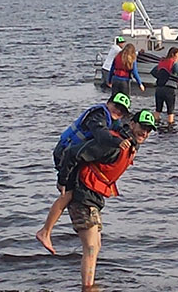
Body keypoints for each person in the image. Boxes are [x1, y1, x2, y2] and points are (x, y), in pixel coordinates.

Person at [56, 109, 156, 292]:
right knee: (91, 246)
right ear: (132, 124)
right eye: (142, 127)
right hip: (82, 193)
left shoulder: (131, 144)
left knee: (97, 245)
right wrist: (62, 180)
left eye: (149, 130)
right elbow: (72, 153)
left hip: (94, 196)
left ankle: (90, 286)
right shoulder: (112, 144)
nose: (145, 133)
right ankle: (87, 291)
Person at [36, 92, 132, 255]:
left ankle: (46, 230)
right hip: (65, 153)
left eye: (122, 111)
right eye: (116, 107)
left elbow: (122, 129)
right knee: (68, 192)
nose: (118, 112)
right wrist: (118, 142)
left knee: (70, 193)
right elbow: (101, 135)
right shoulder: (97, 115)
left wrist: (132, 140)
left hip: (75, 155)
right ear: (109, 103)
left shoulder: (113, 119)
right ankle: (45, 232)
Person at [150, 47, 178, 125]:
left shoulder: (162, 62)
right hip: (169, 89)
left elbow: (152, 71)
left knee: (158, 110)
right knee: (170, 111)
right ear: (173, 55)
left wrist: (159, 77)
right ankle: (170, 128)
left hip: (159, 89)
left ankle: (154, 124)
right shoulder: (174, 63)